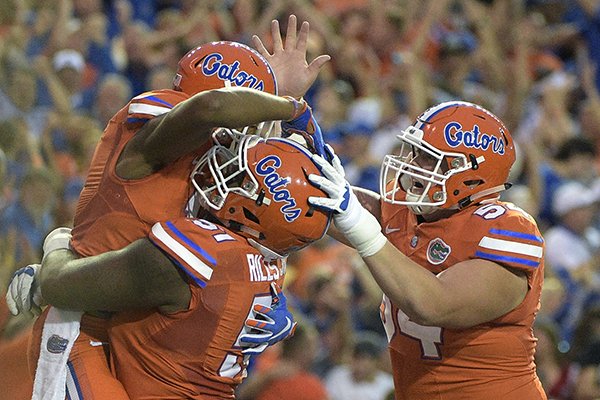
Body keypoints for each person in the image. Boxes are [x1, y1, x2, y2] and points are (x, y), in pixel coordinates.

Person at [7, 15, 330, 399]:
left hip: (132, 329)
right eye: (245, 125)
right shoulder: (152, 138)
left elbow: (306, 197)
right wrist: (286, 105)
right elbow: (209, 108)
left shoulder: (222, 207)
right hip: (84, 320)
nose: (246, 148)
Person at [35, 133, 332, 399]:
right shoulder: (272, 260)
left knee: (65, 318)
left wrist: (58, 244)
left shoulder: (204, 253)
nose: (224, 173)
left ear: (257, 210)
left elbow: (59, 286)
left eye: (241, 180)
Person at [308, 100, 547, 399]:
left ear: (468, 172)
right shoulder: (410, 213)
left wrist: (361, 227)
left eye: (426, 158)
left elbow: (433, 305)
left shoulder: (506, 228)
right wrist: (287, 116)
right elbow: (318, 204)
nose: (410, 164)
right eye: (414, 152)